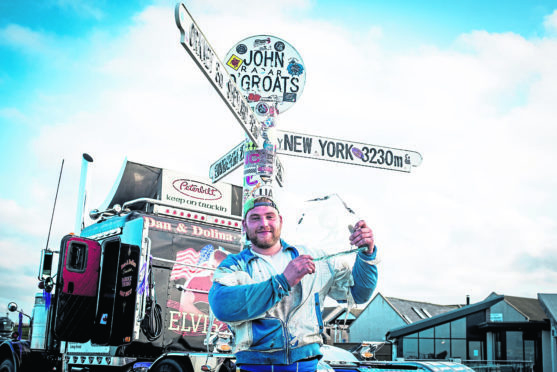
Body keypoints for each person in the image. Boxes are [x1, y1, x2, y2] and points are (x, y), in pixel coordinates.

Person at [208, 197, 378, 372]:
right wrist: (283, 281)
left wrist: (367, 253)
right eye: (255, 218)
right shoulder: (234, 265)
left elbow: (358, 293)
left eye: (270, 216)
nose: (264, 223)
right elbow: (222, 306)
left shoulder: (314, 257)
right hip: (254, 366)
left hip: (306, 366)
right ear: (244, 225)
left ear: (280, 221)